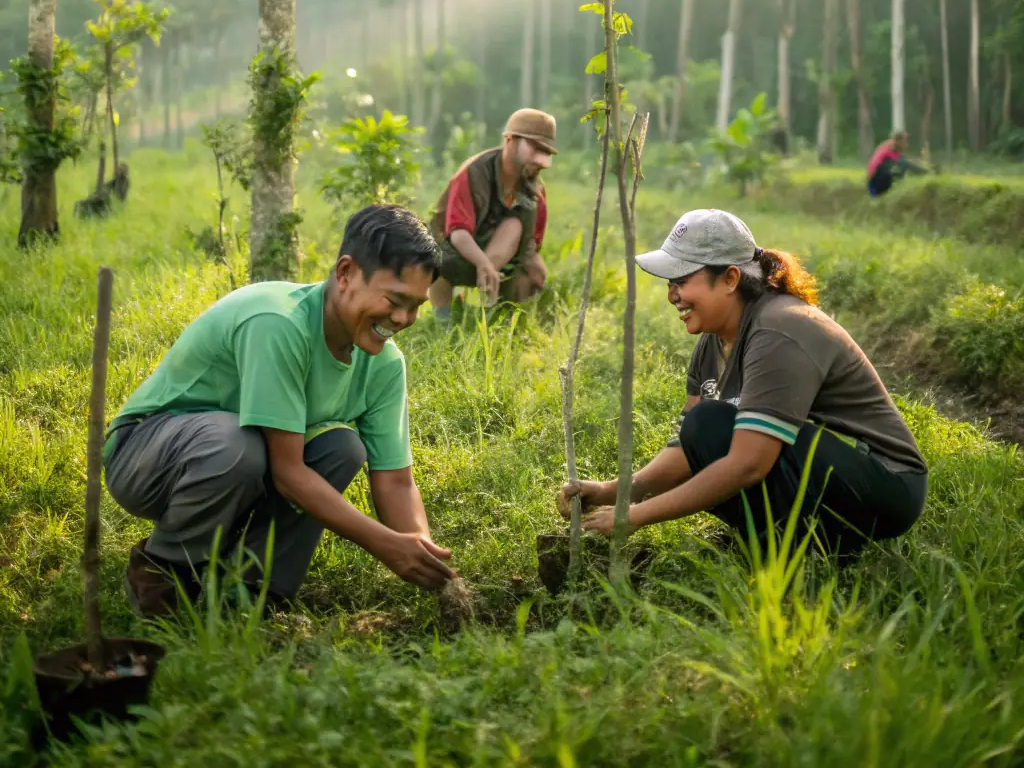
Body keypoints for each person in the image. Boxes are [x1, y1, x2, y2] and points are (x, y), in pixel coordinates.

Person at [104, 204, 455, 616]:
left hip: (239, 466)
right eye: (394, 299)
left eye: (416, 306)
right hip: (147, 456)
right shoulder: (279, 322)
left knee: (342, 448)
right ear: (345, 274)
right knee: (236, 444)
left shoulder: (384, 364)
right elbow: (288, 474)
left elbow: (396, 482)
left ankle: (251, 585)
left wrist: (421, 551)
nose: (402, 318)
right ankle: (165, 567)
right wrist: (383, 544)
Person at [558, 209, 928, 558]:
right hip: (820, 470)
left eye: (683, 281)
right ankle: (782, 544)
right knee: (703, 429)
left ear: (731, 278)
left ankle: (809, 548)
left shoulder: (779, 329)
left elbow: (748, 464)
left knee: (714, 427)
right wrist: (613, 493)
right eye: (671, 283)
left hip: (885, 485)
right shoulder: (711, 343)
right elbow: (689, 449)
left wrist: (633, 518)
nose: (673, 295)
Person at [428, 108, 556, 323]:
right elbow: (458, 233)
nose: (539, 159)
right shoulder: (473, 174)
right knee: (431, 258)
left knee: (530, 271)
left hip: (502, 266)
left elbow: (531, 247)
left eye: (545, 152)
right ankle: (444, 319)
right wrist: (483, 264)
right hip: (459, 252)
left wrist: (537, 271)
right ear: (510, 140)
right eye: (533, 148)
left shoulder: (535, 193)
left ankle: (498, 316)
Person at [866, 130, 928, 197]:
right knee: (904, 165)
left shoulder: (889, 145)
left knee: (903, 165)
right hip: (877, 182)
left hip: (875, 180)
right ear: (899, 142)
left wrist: (918, 162)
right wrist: (924, 170)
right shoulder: (890, 149)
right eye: (905, 142)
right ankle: (927, 174)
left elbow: (905, 160)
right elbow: (906, 163)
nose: (907, 144)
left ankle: (925, 174)